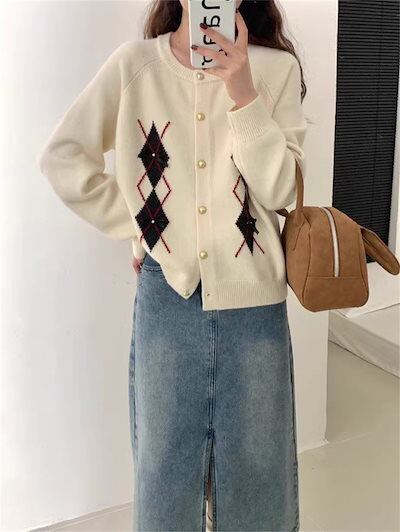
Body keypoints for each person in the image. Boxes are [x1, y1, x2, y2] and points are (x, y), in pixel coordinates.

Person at [37, 0, 308, 530]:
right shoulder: (134, 66)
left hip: (255, 307)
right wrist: (143, 226)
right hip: (168, 300)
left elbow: (282, 193)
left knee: (259, 483)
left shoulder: (276, 70)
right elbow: (63, 157)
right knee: (164, 480)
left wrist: (243, 92)